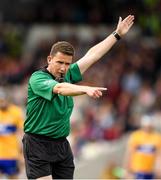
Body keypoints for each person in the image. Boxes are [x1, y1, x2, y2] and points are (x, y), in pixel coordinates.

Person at [22, 15, 134, 179]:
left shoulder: (68, 74)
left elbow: (92, 55)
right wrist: (85, 90)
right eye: (60, 62)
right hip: (38, 143)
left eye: (67, 64)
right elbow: (60, 88)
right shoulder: (38, 78)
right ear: (49, 59)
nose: (64, 68)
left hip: (61, 144)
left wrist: (116, 35)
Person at [123, 115, 161, 179]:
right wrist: (126, 168)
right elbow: (129, 153)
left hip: (150, 170)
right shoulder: (136, 136)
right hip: (137, 169)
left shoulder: (157, 137)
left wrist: (158, 169)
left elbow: (159, 155)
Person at [0, 88, 24, 179]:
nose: (2, 103)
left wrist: (22, 154)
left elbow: (22, 133)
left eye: (3, 100)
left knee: (13, 177)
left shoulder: (15, 111)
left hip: (11, 154)